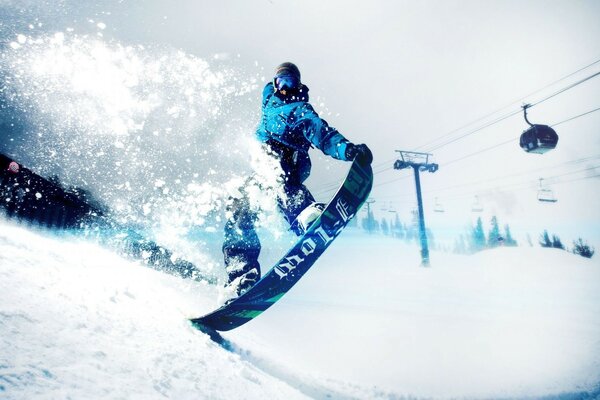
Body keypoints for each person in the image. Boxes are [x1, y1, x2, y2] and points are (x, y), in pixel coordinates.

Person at [223, 62, 373, 296]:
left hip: (289, 162)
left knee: (282, 182)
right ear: (274, 84)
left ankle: (305, 215)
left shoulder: (301, 110)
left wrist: (349, 150)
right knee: (239, 205)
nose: (285, 88)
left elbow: (324, 135)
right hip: (263, 168)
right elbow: (268, 89)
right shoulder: (268, 98)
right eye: (281, 82)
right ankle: (241, 274)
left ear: (298, 85)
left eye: (290, 83)